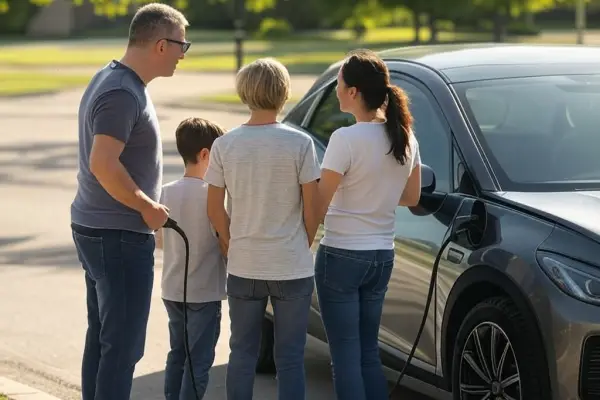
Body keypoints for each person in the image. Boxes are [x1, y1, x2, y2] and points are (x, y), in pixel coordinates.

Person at [69, 3, 190, 400]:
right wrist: (145, 206)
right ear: (160, 44)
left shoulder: (117, 79)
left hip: (102, 229)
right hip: (116, 234)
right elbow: (103, 164)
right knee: (121, 348)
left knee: (104, 339)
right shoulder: (122, 91)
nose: (183, 53)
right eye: (181, 45)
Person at [204, 57, 321, 400]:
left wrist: (229, 242)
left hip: (245, 264)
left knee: (241, 352)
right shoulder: (300, 144)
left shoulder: (224, 145)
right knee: (290, 358)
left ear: (245, 94)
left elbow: (214, 209)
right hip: (292, 266)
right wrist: (302, 243)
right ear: (284, 94)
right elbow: (312, 209)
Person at [314, 49, 422, 400]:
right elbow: (411, 197)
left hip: (342, 255)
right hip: (381, 257)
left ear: (354, 92)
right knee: (367, 353)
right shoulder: (407, 138)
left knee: (344, 356)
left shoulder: (345, 140)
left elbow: (320, 202)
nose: (336, 89)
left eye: (339, 83)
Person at [155, 117, 227, 400]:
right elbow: (224, 242)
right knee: (199, 362)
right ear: (206, 155)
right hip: (204, 293)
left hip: (172, 290)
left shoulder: (166, 192)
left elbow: (160, 241)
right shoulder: (213, 195)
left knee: (177, 354)